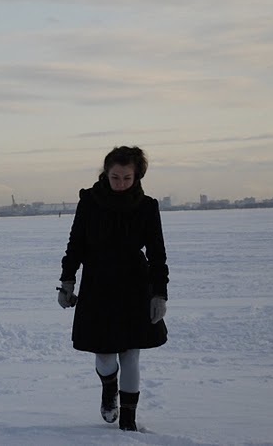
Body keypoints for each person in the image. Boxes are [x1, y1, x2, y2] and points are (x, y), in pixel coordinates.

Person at [58, 146, 169, 431]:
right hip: (98, 284)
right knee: (105, 355)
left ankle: (128, 420)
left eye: (127, 178)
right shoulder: (89, 202)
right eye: (115, 177)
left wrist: (159, 294)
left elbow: (157, 254)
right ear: (106, 174)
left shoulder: (147, 206)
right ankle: (109, 387)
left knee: (131, 353)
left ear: (137, 176)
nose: (120, 183)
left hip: (135, 284)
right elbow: (75, 245)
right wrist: (67, 281)